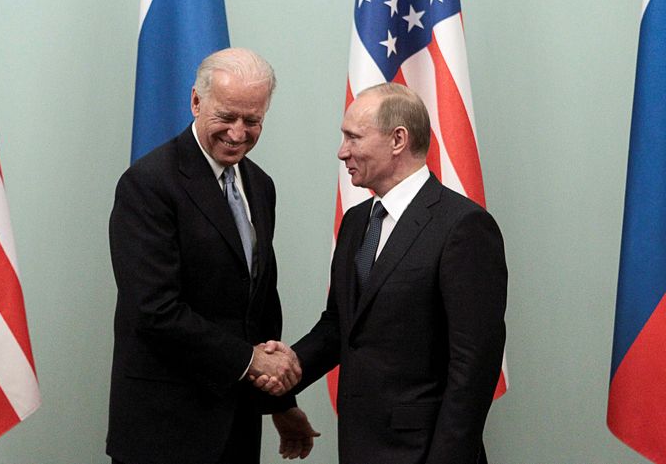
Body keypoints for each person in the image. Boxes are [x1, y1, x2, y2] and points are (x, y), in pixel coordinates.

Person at [258, 82, 507, 463]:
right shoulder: (359, 221)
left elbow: (473, 365)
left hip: (425, 452)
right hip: (360, 445)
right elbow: (340, 326)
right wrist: (286, 367)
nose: (342, 152)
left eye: (353, 137)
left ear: (398, 140)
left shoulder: (463, 226)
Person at [106, 47, 318, 464]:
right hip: (164, 432)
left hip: (236, 426)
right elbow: (155, 309)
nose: (239, 133)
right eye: (227, 117)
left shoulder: (260, 184)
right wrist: (250, 360)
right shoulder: (149, 184)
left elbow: (258, 303)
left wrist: (279, 402)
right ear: (196, 102)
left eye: (252, 120)